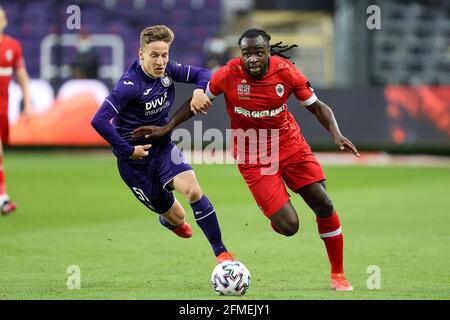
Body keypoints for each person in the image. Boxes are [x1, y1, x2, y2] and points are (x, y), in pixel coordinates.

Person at [132, 28, 360, 291]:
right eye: (247, 53)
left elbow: (318, 107)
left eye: (258, 52)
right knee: (289, 226)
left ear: (267, 52)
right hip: (254, 157)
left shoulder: (286, 72)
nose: (252, 58)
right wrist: (166, 127)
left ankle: (338, 275)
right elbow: (197, 102)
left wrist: (337, 134)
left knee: (323, 203)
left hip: (291, 146)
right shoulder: (228, 74)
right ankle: (276, 212)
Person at [91, 25, 234, 264]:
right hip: (134, 163)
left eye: (164, 55)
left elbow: (203, 74)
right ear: (141, 55)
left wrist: (200, 91)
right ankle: (169, 220)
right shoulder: (129, 86)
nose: (160, 62)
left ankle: (222, 253)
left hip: (163, 147)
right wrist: (128, 151)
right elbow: (99, 120)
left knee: (194, 191)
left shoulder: (168, 71)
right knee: (177, 219)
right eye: (154, 55)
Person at [0, 6, 32, 216]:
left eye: (1, 18)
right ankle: (3, 197)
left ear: (5, 21)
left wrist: (27, 104)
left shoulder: (13, 46)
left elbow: (22, 77)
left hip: (3, 108)